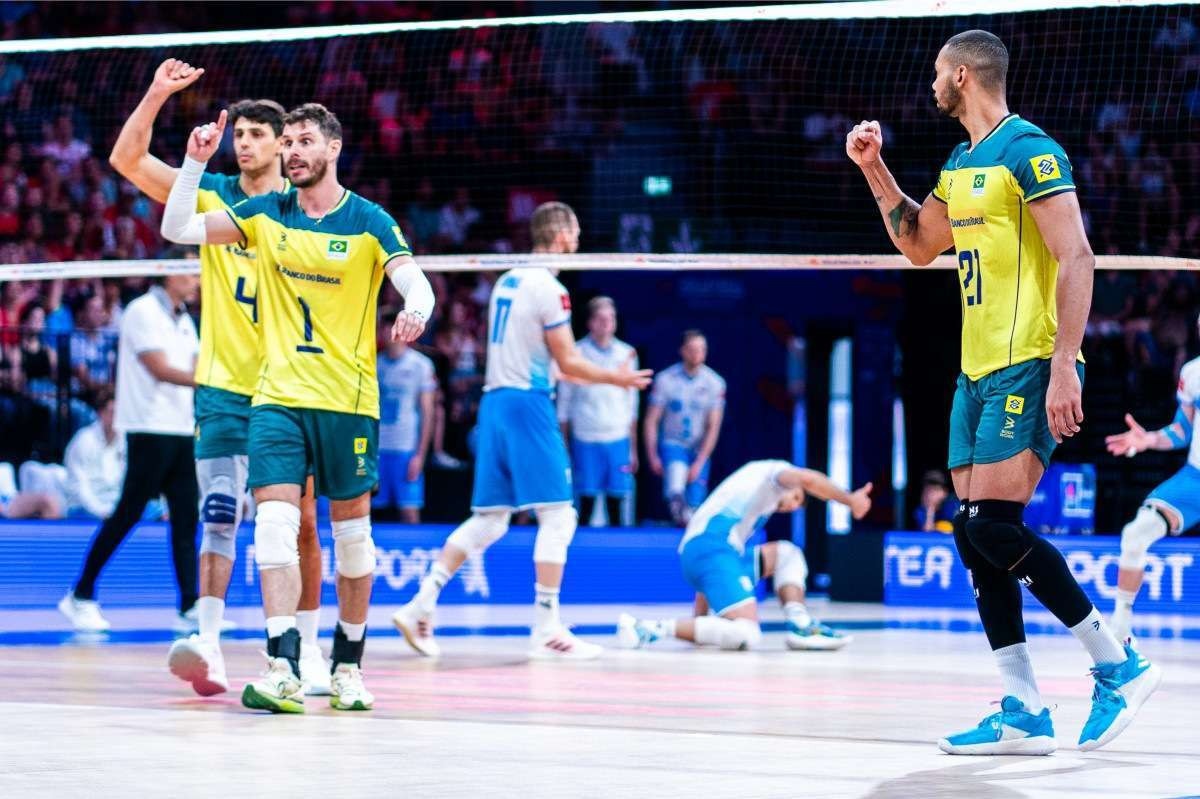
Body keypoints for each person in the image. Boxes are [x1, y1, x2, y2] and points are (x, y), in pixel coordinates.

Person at [846, 29, 1158, 755]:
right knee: (971, 528)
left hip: (1029, 361)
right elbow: (919, 244)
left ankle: (1118, 663)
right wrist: (875, 167)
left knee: (991, 525)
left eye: (935, 75)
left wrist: (1063, 364)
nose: (929, 86)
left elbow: (1077, 255)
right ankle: (1023, 707)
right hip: (975, 372)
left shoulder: (1030, 150)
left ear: (962, 75)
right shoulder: (959, 165)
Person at [160, 102, 434, 713]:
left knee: (352, 539)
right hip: (277, 399)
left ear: (333, 148)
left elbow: (414, 277)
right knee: (277, 529)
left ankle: (348, 667)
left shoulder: (368, 220)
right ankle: (281, 665)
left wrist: (417, 307)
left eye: (304, 141)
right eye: (288, 143)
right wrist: (193, 163)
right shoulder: (263, 213)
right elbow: (177, 229)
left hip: (347, 401)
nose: (293, 152)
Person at [108, 59, 332, 697]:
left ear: (283, 144)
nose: (245, 142)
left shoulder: (305, 210)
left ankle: (307, 650)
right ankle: (208, 641)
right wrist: (156, 93)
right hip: (225, 384)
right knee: (218, 513)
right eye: (241, 133)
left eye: (259, 134)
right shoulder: (212, 194)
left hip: (292, 388)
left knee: (304, 523)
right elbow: (127, 159)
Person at [393, 202, 652, 660]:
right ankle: (547, 626)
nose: (578, 242)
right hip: (527, 402)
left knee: (491, 519)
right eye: (574, 232)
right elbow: (569, 364)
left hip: (494, 404)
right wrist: (620, 377)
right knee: (560, 515)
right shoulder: (549, 289)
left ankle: (420, 604)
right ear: (561, 234)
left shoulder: (508, 279)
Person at [58, 276, 200, 634]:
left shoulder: (184, 319)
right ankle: (80, 594)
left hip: (181, 428)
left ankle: (189, 606)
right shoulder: (142, 311)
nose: (197, 280)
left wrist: (208, 377)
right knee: (127, 513)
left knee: (186, 519)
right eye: (191, 272)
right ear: (169, 273)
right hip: (148, 427)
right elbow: (158, 367)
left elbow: (198, 364)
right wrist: (213, 380)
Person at [617, 460, 870, 651]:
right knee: (747, 633)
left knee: (787, 554)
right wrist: (850, 500)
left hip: (711, 555)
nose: (794, 504)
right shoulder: (775, 472)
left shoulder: (745, 505)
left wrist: (699, 624)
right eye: (796, 496)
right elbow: (809, 479)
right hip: (709, 550)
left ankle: (800, 623)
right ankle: (647, 627)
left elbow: (713, 577)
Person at [1104, 326, 1200, 642]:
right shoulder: (1193, 372)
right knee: (1135, 534)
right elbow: (1183, 430)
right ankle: (1119, 630)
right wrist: (1149, 439)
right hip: (1195, 479)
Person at [557, 296, 639, 527]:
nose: (606, 324)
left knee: (617, 502)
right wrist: (565, 446)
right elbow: (564, 405)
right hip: (586, 437)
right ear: (590, 322)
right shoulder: (575, 354)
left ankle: (616, 556)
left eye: (611, 318)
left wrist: (632, 449)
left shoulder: (627, 354)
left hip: (617, 438)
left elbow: (632, 405)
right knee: (587, 499)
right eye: (601, 319)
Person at [643, 329, 725, 525]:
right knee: (676, 491)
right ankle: (678, 509)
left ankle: (689, 529)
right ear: (682, 350)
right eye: (692, 349)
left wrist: (700, 461)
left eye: (701, 349)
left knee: (696, 504)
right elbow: (651, 420)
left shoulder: (715, 383)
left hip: (698, 447)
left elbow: (713, 427)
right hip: (673, 442)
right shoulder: (666, 379)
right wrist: (653, 454)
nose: (697, 354)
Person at [374, 313, 437, 523]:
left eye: (391, 328)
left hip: (406, 449)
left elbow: (428, 413)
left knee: (410, 512)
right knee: (369, 512)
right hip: (377, 449)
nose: (388, 333)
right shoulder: (373, 363)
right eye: (383, 328)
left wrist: (420, 455)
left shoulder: (421, 365)